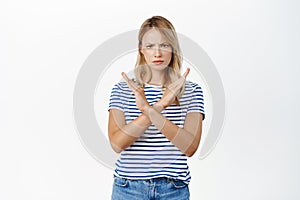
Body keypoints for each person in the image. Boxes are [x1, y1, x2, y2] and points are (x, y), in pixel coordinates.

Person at [107, 16, 205, 200]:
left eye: (165, 45)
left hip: (173, 189)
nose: (157, 53)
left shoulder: (192, 91)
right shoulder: (123, 89)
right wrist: (158, 107)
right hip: (128, 188)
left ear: (173, 49)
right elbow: (117, 144)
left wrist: (153, 109)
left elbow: (190, 147)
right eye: (150, 46)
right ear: (141, 50)